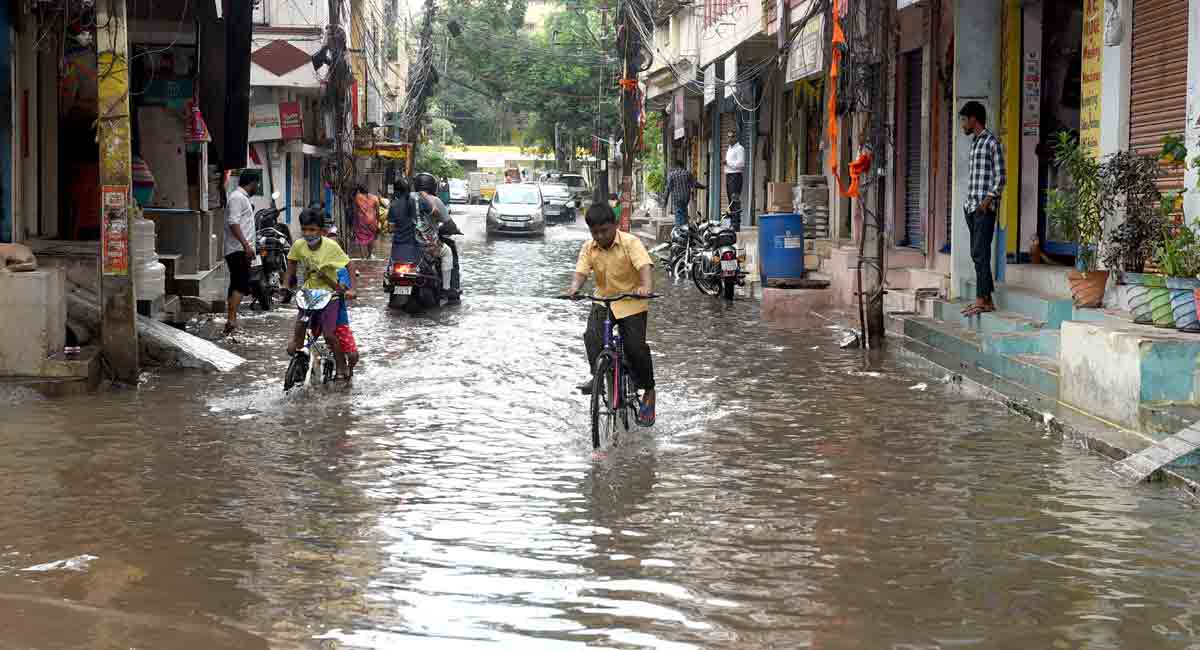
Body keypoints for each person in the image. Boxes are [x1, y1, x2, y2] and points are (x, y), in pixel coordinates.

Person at [565, 203, 656, 426]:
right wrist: (574, 288)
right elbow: (581, 271)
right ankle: (599, 375)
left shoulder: (630, 242)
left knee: (636, 348)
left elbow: (644, 266)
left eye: (604, 230)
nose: (600, 236)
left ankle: (648, 391)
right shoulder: (589, 247)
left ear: (614, 225)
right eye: (594, 232)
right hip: (604, 301)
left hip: (631, 302)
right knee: (591, 335)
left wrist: (645, 287)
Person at [285, 208, 352, 381]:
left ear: (322, 231)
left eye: (312, 230)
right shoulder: (298, 245)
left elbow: (349, 265)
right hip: (308, 293)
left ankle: (341, 365)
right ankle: (300, 353)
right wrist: (286, 285)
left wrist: (353, 288)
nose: (308, 234)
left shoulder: (331, 247)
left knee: (329, 335)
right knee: (300, 326)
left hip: (330, 295)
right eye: (305, 229)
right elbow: (291, 264)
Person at [959, 100, 1007, 316]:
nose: (962, 125)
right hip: (971, 207)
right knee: (979, 253)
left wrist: (986, 202)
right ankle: (986, 300)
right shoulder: (975, 143)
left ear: (973, 119)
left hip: (983, 209)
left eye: (963, 120)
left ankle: (981, 299)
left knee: (979, 253)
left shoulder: (991, 143)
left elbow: (1001, 177)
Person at [223, 170, 258, 335]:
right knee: (241, 284)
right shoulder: (237, 198)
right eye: (256, 184)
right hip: (237, 249)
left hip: (239, 249)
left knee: (236, 283)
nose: (257, 187)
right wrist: (246, 245)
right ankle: (231, 319)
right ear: (251, 183)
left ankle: (231, 319)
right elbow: (233, 222)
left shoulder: (241, 198)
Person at [665, 158, 705, 227]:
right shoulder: (687, 173)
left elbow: (668, 188)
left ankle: (679, 230)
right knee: (684, 213)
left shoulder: (671, 175)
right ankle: (684, 229)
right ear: (682, 166)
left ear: (676, 166)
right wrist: (704, 187)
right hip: (685, 199)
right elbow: (695, 184)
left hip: (676, 199)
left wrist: (665, 201)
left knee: (678, 215)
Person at [353, 185, 380, 260]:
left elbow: (355, 210)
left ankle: (362, 256)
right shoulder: (375, 198)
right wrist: (378, 221)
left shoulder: (357, 197)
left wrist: (355, 221)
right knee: (371, 237)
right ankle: (370, 254)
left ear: (360, 191)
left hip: (362, 221)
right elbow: (378, 212)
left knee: (361, 237)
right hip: (372, 220)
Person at [725, 131, 745, 201]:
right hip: (729, 176)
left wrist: (727, 163)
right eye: (728, 137)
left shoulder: (739, 148)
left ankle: (736, 212)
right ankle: (732, 212)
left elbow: (741, 164)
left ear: (736, 138)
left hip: (735, 176)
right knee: (730, 199)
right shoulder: (729, 149)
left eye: (732, 137)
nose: (730, 139)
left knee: (734, 199)